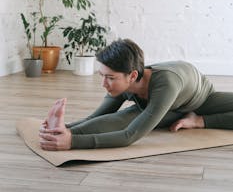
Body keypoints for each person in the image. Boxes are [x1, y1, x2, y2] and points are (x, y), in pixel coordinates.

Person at [39, 38, 233, 151]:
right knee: (119, 119)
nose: (103, 84)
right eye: (102, 76)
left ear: (132, 76)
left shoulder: (165, 84)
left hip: (200, 99)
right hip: (167, 105)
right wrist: (64, 129)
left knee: (132, 123)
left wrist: (72, 142)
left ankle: (197, 120)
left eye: (110, 78)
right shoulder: (123, 84)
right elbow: (97, 117)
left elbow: (130, 135)